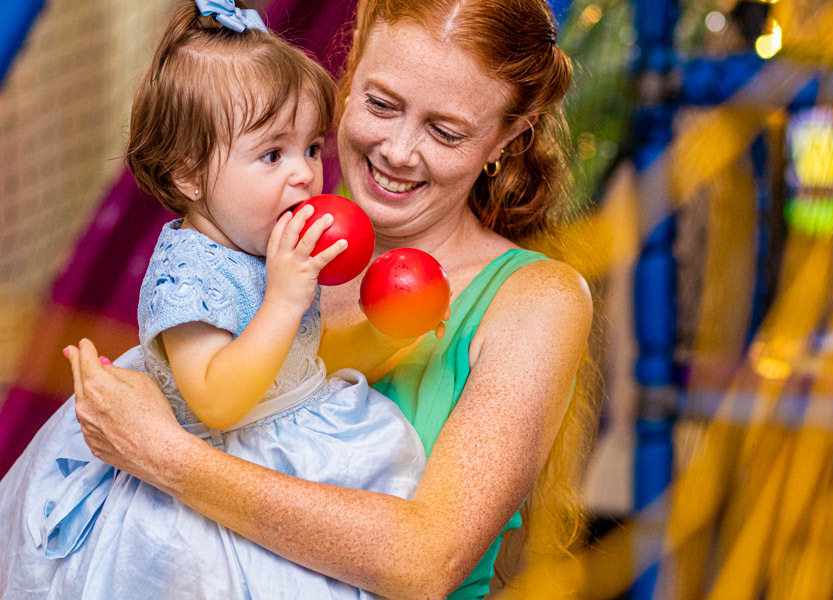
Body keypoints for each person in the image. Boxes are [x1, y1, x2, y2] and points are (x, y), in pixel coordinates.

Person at [64, 0, 595, 598]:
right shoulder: (258, 230)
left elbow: (424, 563)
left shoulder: (537, 299)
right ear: (350, 68)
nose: (397, 150)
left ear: (506, 137)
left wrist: (166, 457)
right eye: (380, 104)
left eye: (445, 131)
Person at [0, 2, 426, 598]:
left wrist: (385, 329)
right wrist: (283, 297)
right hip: (209, 475)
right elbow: (219, 400)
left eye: (310, 148)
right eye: (273, 155)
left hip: (287, 440)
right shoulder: (187, 275)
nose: (306, 175)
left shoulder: (265, 247)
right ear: (188, 175)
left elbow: (300, 360)